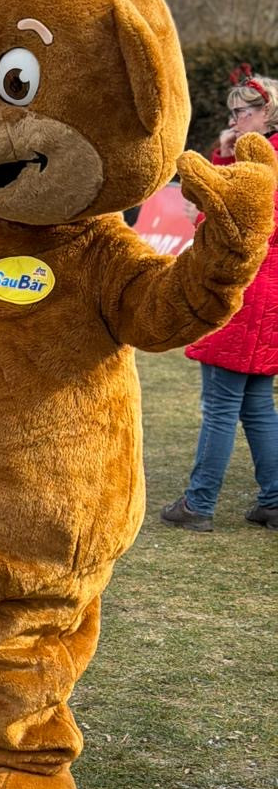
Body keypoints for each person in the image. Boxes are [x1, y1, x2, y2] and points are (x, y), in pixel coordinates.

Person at [161, 73, 278, 532]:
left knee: (221, 406)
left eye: (241, 113)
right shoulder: (260, 161)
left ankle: (199, 503)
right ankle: (272, 500)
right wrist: (225, 153)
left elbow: (236, 223)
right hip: (269, 295)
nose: (234, 121)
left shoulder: (263, 167)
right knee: (256, 406)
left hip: (245, 291)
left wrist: (202, 214)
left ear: (265, 113)